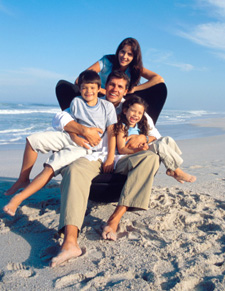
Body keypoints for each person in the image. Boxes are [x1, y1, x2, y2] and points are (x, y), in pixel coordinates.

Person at [50, 71, 160, 267]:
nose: (115, 89)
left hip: (125, 159)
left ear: (125, 90)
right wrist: (79, 132)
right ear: (104, 86)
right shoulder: (90, 103)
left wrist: (144, 138)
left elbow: (155, 136)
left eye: (120, 87)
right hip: (93, 156)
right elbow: (60, 118)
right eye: (112, 85)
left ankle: (114, 220)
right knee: (74, 169)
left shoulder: (133, 109)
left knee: (151, 158)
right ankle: (70, 242)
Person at [3, 70, 117, 216]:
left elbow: (113, 132)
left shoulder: (107, 107)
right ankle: (23, 179)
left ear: (99, 89)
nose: (88, 91)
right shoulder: (76, 102)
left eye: (92, 88)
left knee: (51, 166)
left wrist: (110, 158)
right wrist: (74, 136)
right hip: (71, 137)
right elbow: (67, 123)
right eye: (84, 88)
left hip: (86, 147)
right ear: (80, 88)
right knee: (32, 140)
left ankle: (17, 199)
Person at [56, 37, 167, 124]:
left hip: (122, 98)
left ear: (134, 57)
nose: (124, 57)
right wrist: (102, 90)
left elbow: (159, 79)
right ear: (118, 51)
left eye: (129, 54)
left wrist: (134, 89)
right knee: (63, 86)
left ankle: (142, 123)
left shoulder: (135, 68)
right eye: (122, 52)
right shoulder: (107, 61)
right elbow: (80, 79)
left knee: (160, 88)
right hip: (100, 97)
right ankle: (75, 118)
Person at [114, 95, 196, 184]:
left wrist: (144, 139)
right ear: (125, 111)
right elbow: (122, 149)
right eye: (133, 111)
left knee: (167, 140)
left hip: (142, 150)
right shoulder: (122, 127)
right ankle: (177, 171)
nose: (136, 115)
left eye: (139, 113)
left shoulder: (139, 126)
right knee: (159, 146)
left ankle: (171, 168)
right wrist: (139, 149)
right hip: (131, 155)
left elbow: (153, 137)